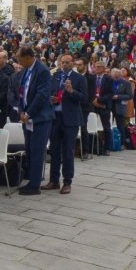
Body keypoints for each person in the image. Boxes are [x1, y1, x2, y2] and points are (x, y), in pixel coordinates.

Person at [14, 45, 53, 195]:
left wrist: (29, 113)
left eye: (20, 59)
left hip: (40, 118)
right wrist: (21, 110)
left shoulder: (42, 70)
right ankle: (32, 178)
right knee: (30, 149)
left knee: (37, 150)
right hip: (27, 117)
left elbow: (42, 95)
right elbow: (21, 92)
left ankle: (35, 185)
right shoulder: (25, 71)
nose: (18, 62)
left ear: (28, 57)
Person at [44, 54, 85, 192]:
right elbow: (48, 92)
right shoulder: (55, 76)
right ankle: (53, 180)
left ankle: (67, 182)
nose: (64, 65)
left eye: (67, 62)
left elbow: (84, 98)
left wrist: (72, 91)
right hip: (55, 117)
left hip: (70, 119)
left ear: (73, 63)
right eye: (62, 62)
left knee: (68, 151)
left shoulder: (79, 78)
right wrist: (51, 98)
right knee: (54, 150)